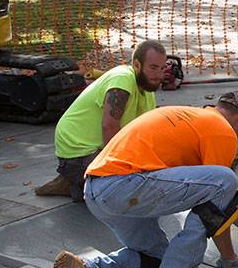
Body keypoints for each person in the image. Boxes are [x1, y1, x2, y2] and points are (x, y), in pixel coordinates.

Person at [49, 91, 238, 268]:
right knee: (226, 179)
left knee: (155, 258)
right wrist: (229, 260)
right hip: (126, 185)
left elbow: (219, 204)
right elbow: (220, 203)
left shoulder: (191, 119)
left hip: (97, 189)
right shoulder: (222, 130)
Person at [34, 40, 168, 202]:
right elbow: (109, 127)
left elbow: (145, 135)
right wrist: (121, 170)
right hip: (78, 150)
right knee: (124, 190)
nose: (159, 75)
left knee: (146, 176)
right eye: (153, 68)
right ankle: (73, 181)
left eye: (162, 68)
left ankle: (77, 183)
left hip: (98, 148)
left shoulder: (148, 92)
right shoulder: (123, 79)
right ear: (137, 64)